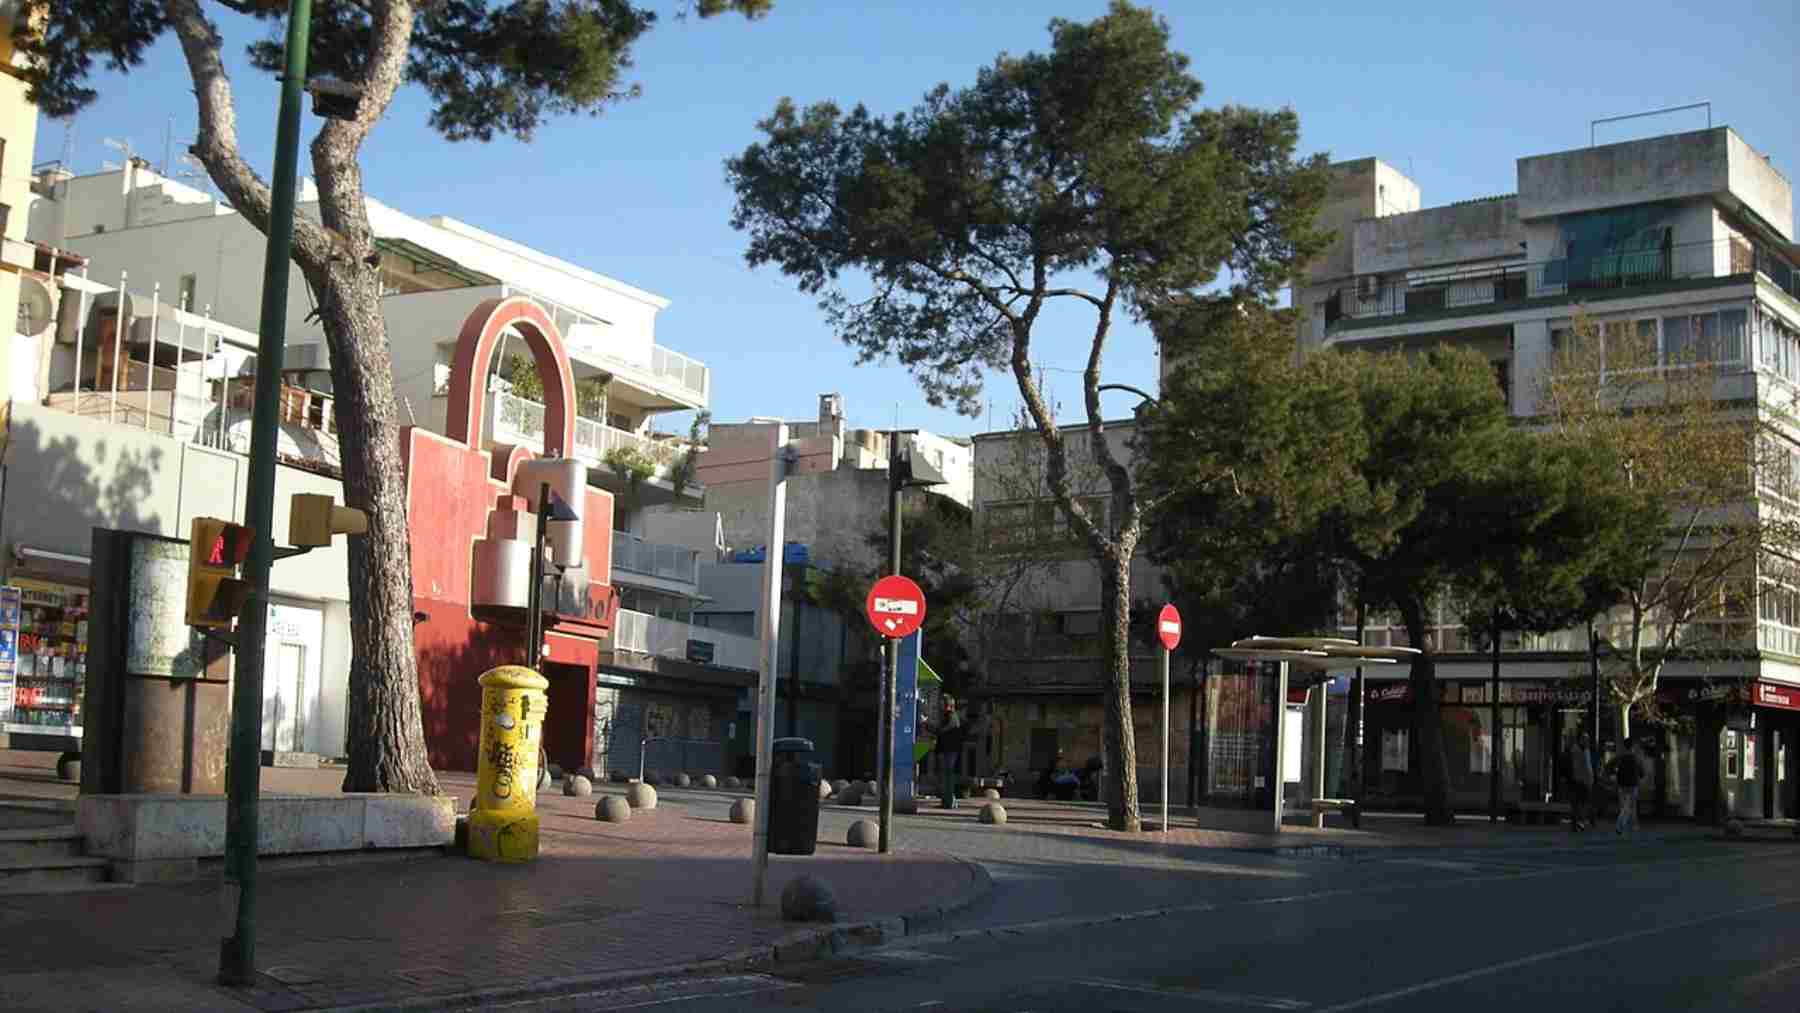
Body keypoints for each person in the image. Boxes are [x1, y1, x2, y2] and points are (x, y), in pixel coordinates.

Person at [1611, 737, 1643, 835]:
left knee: (1624, 806)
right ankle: (1629, 825)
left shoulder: (1620, 757)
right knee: (1631, 806)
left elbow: (1610, 766)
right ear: (1632, 746)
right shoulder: (1636, 757)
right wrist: (1639, 776)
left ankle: (1625, 825)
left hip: (1622, 785)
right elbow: (1642, 771)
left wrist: (1615, 774)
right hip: (1633, 784)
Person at [1567, 731, 1593, 832]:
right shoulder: (1579, 751)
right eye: (1585, 739)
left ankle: (1578, 823)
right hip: (1580, 780)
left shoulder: (1581, 750)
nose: (1587, 741)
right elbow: (1586, 766)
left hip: (1582, 780)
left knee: (1580, 803)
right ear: (1581, 740)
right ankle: (1579, 823)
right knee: (1580, 803)